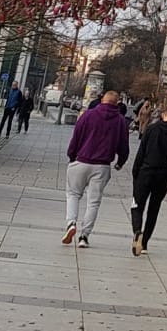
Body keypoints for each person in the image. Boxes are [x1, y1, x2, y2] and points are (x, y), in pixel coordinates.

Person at [62, 89, 129, 248]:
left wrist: (72, 156)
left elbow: (76, 137)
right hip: (102, 165)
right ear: (117, 103)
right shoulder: (120, 121)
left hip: (81, 160)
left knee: (73, 194)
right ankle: (84, 236)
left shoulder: (88, 115)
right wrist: (120, 162)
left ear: (102, 100)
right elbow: (123, 146)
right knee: (93, 202)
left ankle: (71, 223)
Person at [129, 103, 167, 256]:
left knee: (137, 205)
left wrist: (136, 173)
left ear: (163, 114)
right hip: (163, 175)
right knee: (154, 209)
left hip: (145, 172)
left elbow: (141, 153)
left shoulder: (152, 129)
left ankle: (137, 231)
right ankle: (145, 243)